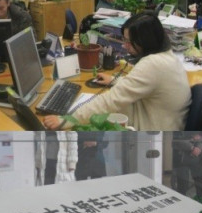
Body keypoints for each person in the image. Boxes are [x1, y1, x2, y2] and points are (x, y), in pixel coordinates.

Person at [42, 12, 191, 131]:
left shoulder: (153, 64)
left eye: (128, 42)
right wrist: (115, 81)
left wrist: (66, 120)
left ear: (145, 41)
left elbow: (109, 101)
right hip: (161, 123)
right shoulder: (166, 56)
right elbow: (146, 85)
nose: (125, 46)